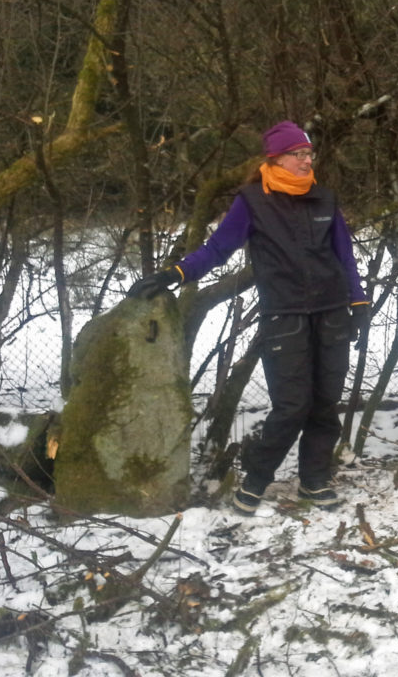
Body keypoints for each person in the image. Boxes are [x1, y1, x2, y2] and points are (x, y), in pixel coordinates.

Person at [128, 120, 370, 514]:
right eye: (299, 154)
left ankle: (313, 482)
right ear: (276, 158)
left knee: (324, 405)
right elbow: (218, 248)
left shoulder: (324, 200)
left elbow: (345, 256)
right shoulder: (253, 201)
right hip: (284, 317)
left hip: (331, 314)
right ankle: (256, 480)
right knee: (292, 405)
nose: (307, 160)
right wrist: (176, 273)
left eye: (310, 153)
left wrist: (358, 304)